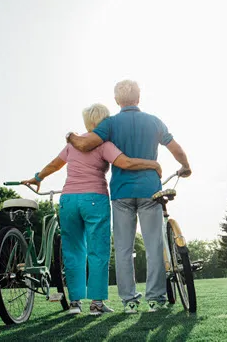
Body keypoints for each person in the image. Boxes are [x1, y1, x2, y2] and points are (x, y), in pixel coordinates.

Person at [22, 103, 163, 316]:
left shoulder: (72, 145)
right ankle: (96, 304)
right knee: (98, 251)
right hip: (94, 199)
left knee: (72, 251)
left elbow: (54, 164)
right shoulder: (104, 144)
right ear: (104, 121)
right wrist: (152, 164)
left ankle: (75, 303)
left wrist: (38, 178)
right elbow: (125, 163)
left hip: (68, 200)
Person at [66, 79, 191, 313]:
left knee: (123, 249)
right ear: (139, 97)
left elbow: (85, 144)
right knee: (154, 245)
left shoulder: (110, 124)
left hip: (121, 192)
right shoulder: (154, 121)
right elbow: (176, 149)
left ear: (116, 100)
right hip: (150, 191)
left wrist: (70, 137)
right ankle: (155, 299)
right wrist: (185, 166)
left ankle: (129, 302)